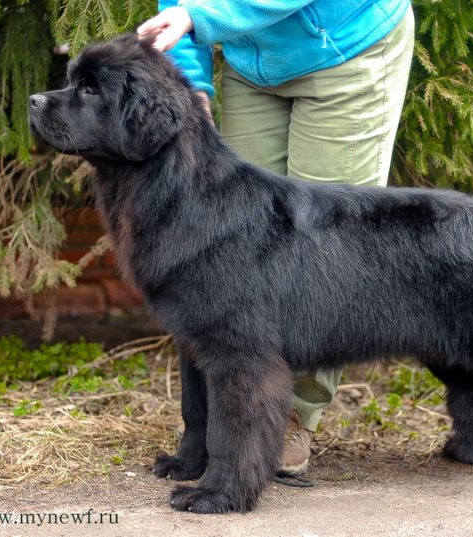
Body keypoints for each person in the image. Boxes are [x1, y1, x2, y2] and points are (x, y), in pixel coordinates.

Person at [138, 0, 415, 475]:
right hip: (253, 57)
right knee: (234, 249)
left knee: (327, 249)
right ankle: (229, 424)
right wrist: (192, 83)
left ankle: (291, 417)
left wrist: (200, 17)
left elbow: (192, 11)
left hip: (346, 42)